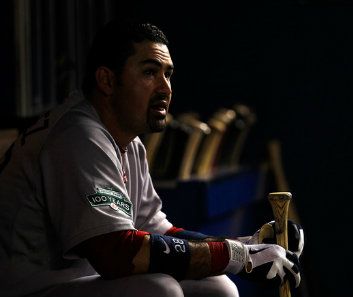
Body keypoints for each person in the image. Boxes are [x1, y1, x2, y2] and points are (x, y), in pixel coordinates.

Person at [0, 19, 304, 297]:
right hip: (29, 287)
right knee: (159, 290)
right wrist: (236, 257)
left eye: (168, 74)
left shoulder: (128, 142)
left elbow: (158, 231)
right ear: (106, 80)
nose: (165, 88)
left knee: (218, 287)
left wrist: (245, 246)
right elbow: (117, 253)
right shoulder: (77, 134)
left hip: (77, 281)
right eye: (149, 72)